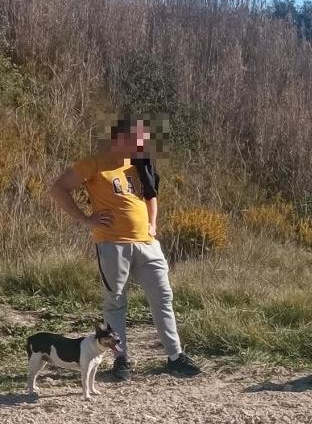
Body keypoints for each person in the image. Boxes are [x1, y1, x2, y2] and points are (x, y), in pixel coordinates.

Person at [49, 117, 201, 380]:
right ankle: (121, 360)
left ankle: (175, 356)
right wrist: (85, 219)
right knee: (116, 302)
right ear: (119, 139)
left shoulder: (141, 164)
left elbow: (151, 196)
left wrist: (153, 224)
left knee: (163, 298)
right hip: (112, 244)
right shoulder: (94, 163)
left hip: (147, 244)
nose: (142, 145)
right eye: (136, 140)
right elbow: (58, 188)